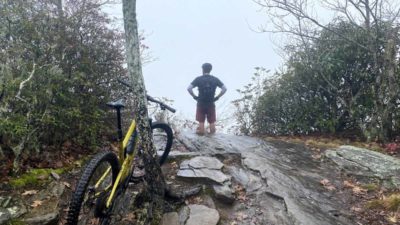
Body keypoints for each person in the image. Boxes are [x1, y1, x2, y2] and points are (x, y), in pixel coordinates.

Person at [187, 63, 227, 135]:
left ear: (202, 69)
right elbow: (224, 89)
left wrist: (194, 96)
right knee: (212, 122)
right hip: (211, 103)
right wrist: (217, 97)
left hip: (201, 103)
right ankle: (212, 138)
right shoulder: (215, 79)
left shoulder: (198, 79)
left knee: (201, 122)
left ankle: (201, 133)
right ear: (210, 69)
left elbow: (189, 88)